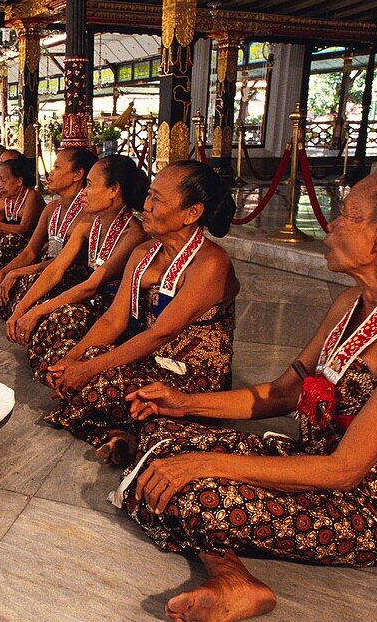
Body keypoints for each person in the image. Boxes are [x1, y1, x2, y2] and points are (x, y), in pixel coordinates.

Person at [116, 168, 377, 622]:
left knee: (193, 486)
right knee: (164, 437)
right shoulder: (351, 303)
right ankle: (232, 575)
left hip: (369, 505)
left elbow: (345, 470)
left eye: (349, 215)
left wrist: (204, 464)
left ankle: (232, 577)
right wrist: (184, 403)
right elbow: (284, 393)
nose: (332, 223)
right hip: (314, 462)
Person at [34, 161, 237, 460]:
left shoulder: (211, 263)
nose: (147, 205)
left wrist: (87, 369)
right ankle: (127, 434)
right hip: (150, 360)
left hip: (191, 378)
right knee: (61, 356)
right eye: (149, 195)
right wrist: (71, 360)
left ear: (191, 213)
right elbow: (114, 318)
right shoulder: (144, 251)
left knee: (100, 381)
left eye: (158, 199)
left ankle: (142, 432)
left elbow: (160, 334)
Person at [11, 154, 147, 365]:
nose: (83, 193)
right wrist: (22, 308)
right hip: (90, 303)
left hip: (113, 315)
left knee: (58, 323)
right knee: (43, 314)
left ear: (114, 190)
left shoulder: (133, 234)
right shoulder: (88, 224)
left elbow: (91, 286)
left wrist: (37, 311)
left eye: (90, 185)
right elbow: (56, 268)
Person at [0, 147, 95, 320]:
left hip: (68, 275)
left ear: (77, 174)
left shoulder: (87, 215)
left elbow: (62, 264)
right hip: (47, 267)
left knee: (27, 281)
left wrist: (18, 272)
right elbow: (30, 251)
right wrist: (4, 272)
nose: (50, 173)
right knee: (2, 279)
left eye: (57, 168)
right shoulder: (52, 208)